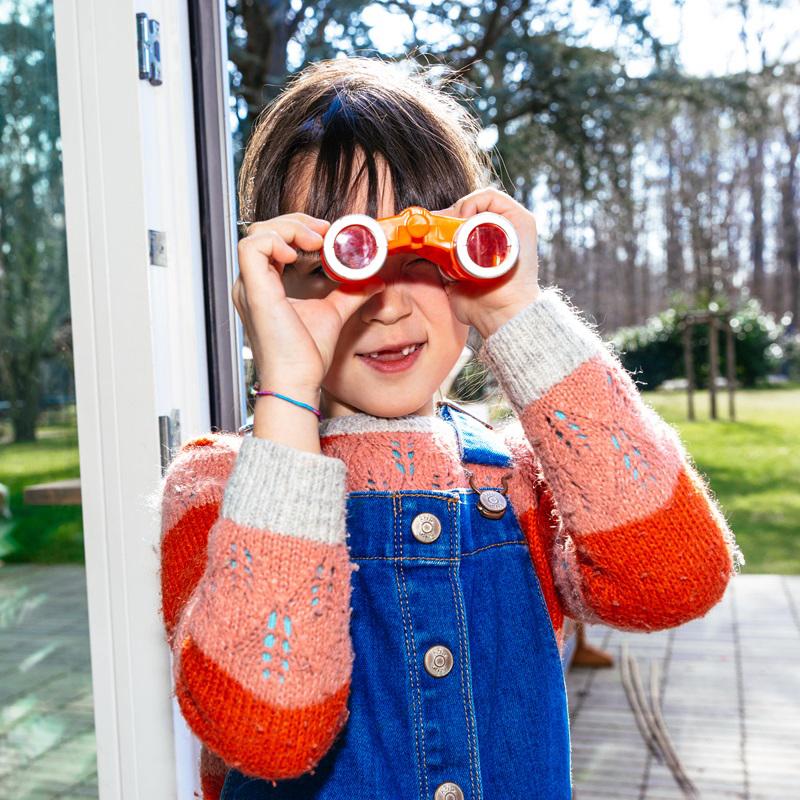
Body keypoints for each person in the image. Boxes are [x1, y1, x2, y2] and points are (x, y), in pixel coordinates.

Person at [157, 56, 744, 800]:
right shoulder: (219, 488)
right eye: (342, 263)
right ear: (276, 285)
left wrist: (516, 315)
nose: (389, 307)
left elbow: (676, 581)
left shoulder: (524, 478)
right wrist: (289, 391)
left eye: (421, 258)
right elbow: (267, 732)